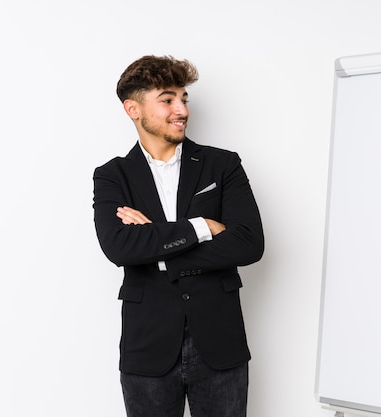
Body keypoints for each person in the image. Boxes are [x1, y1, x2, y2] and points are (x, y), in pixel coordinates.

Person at [92, 55, 264, 417]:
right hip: (148, 346)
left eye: (184, 98)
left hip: (220, 343)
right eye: (167, 99)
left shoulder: (223, 164)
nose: (181, 109)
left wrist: (153, 244)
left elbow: (249, 242)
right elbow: (118, 246)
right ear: (133, 108)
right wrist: (202, 227)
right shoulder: (112, 176)